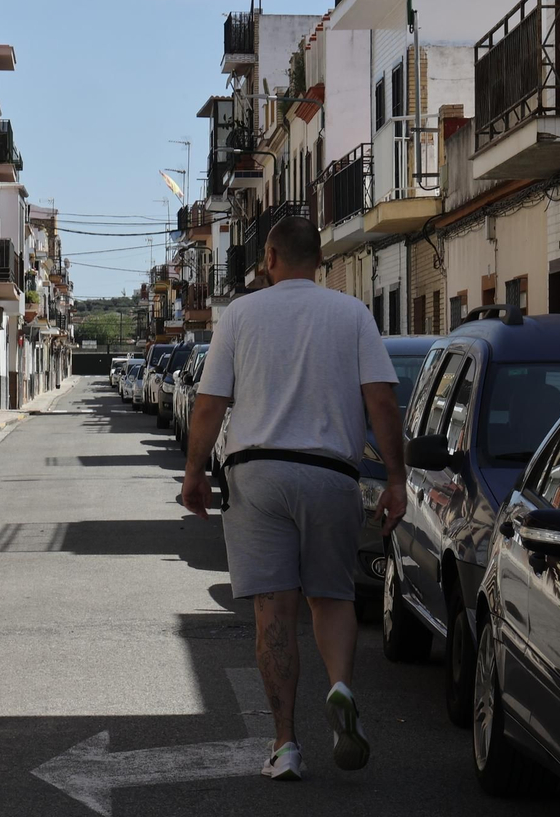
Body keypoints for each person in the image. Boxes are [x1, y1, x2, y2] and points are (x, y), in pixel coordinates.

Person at [181, 216, 408, 782]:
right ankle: (340, 688)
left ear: (271, 258)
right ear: (321, 262)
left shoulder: (241, 315)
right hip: (331, 474)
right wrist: (398, 480)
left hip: (257, 474)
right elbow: (382, 404)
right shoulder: (352, 314)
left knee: (273, 614)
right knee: (331, 599)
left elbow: (208, 404)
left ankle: (285, 745)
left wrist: (194, 472)